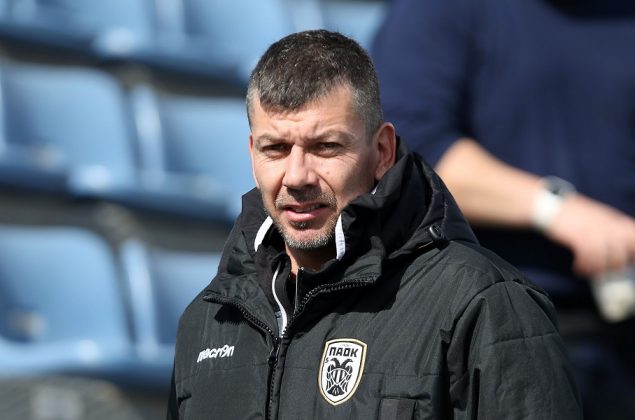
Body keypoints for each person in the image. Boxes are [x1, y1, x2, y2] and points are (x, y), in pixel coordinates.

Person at [166, 29, 581, 419]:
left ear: (382, 151)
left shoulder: (483, 305)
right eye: (275, 148)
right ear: (252, 152)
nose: (296, 176)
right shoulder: (209, 321)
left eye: (325, 146)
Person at [371, 0, 635, 418]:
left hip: (620, 323)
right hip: (500, 326)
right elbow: (405, 147)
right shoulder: (441, 9)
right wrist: (557, 210)